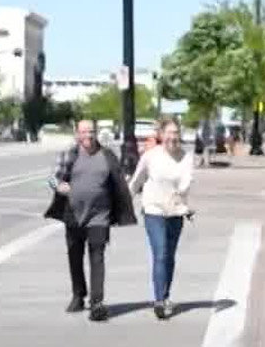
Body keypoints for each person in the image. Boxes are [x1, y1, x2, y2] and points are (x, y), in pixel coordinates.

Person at [45, 119, 136, 322]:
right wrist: (58, 186)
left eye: (91, 131)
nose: (88, 135)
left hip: (99, 216)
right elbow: (51, 178)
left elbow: (118, 181)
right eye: (84, 132)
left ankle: (97, 303)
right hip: (73, 214)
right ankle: (78, 295)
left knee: (97, 256)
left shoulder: (107, 155)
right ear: (77, 134)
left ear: (96, 133)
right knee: (75, 256)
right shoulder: (70, 154)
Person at [130, 118, 196, 320]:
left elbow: (187, 180)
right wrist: (123, 204)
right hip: (154, 210)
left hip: (175, 212)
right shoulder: (151, 156)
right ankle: (159, 300)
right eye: (169, 133)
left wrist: (182, 194)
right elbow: (137, 181)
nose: (173, 137)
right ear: (161, 135)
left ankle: (165, 295)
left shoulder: (186, 157)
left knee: (169, 256)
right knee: (160, 252)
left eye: (176, 133)